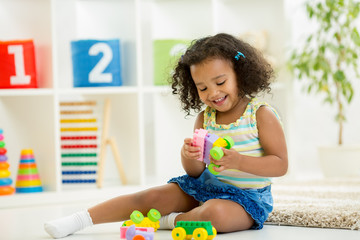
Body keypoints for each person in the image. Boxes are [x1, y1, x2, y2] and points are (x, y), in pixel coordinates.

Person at [44, 33, 288, 238]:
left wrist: (239, 161)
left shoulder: (260, 114)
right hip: (205, 187)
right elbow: (195, 172)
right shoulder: (205, 118)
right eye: (202, 88)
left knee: (214, 215)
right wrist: (189, 155)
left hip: (247, 199)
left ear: (240, 75)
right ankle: (80, 220)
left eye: (220, 82)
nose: (212, 92)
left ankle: (166, 221)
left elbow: (280, 165)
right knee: (151, 195)